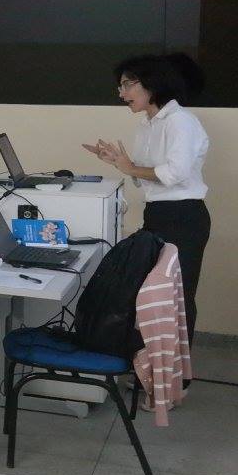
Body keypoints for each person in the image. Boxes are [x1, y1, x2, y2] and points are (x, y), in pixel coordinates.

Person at [83, 53, 211, 340]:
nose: (122, 94)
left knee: (178, 295)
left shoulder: (181, 121)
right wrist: (120, 163)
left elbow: (175, 173)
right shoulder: (147, 124)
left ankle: (177, 367)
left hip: (184, 217)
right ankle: (150, 358)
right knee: (153, 294)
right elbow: (146, 177)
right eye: (120, 86)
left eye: (127, 84)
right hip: (157, 214)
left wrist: (130, 167)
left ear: (152, 83)